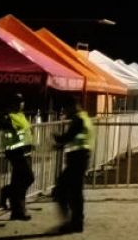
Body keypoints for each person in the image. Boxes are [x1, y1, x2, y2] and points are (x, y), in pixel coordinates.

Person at [54, 98, 93, 233]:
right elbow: (74, 138)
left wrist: (55, 137)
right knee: (74, 191)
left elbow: (67, 137)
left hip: (77, 159)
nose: (65, 112)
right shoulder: (85, 117)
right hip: (81, 158)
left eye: (66, 108)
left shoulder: (78, 119)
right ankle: (75, 222)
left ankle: (73, 223)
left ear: (74, 106)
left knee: (64, 191)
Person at [0, 93, 35, 220]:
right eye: (19, 101)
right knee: (28, 178)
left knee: (18, 181)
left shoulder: (20, 115)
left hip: (25, 151)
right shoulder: (9, 115)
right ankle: (6, 192)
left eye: (22, 101)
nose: (22, 103)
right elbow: (1, 124)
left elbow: (25, 131)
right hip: (16, 152)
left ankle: (17, 211)